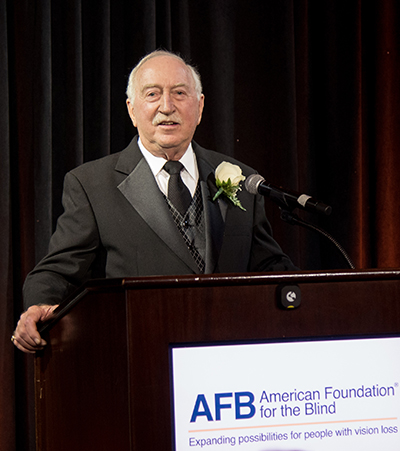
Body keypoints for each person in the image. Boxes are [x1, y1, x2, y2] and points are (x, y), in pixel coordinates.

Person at [12, 50, 297, 353]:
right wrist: (39, 305)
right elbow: (55, 272)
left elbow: (269, 266)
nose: (167, 107)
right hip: (141, 356)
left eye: (179, 93)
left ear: (199, 107)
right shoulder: (92, 185)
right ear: (132, 110)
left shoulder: (242, 178)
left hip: (228, 357)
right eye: (152, 94)